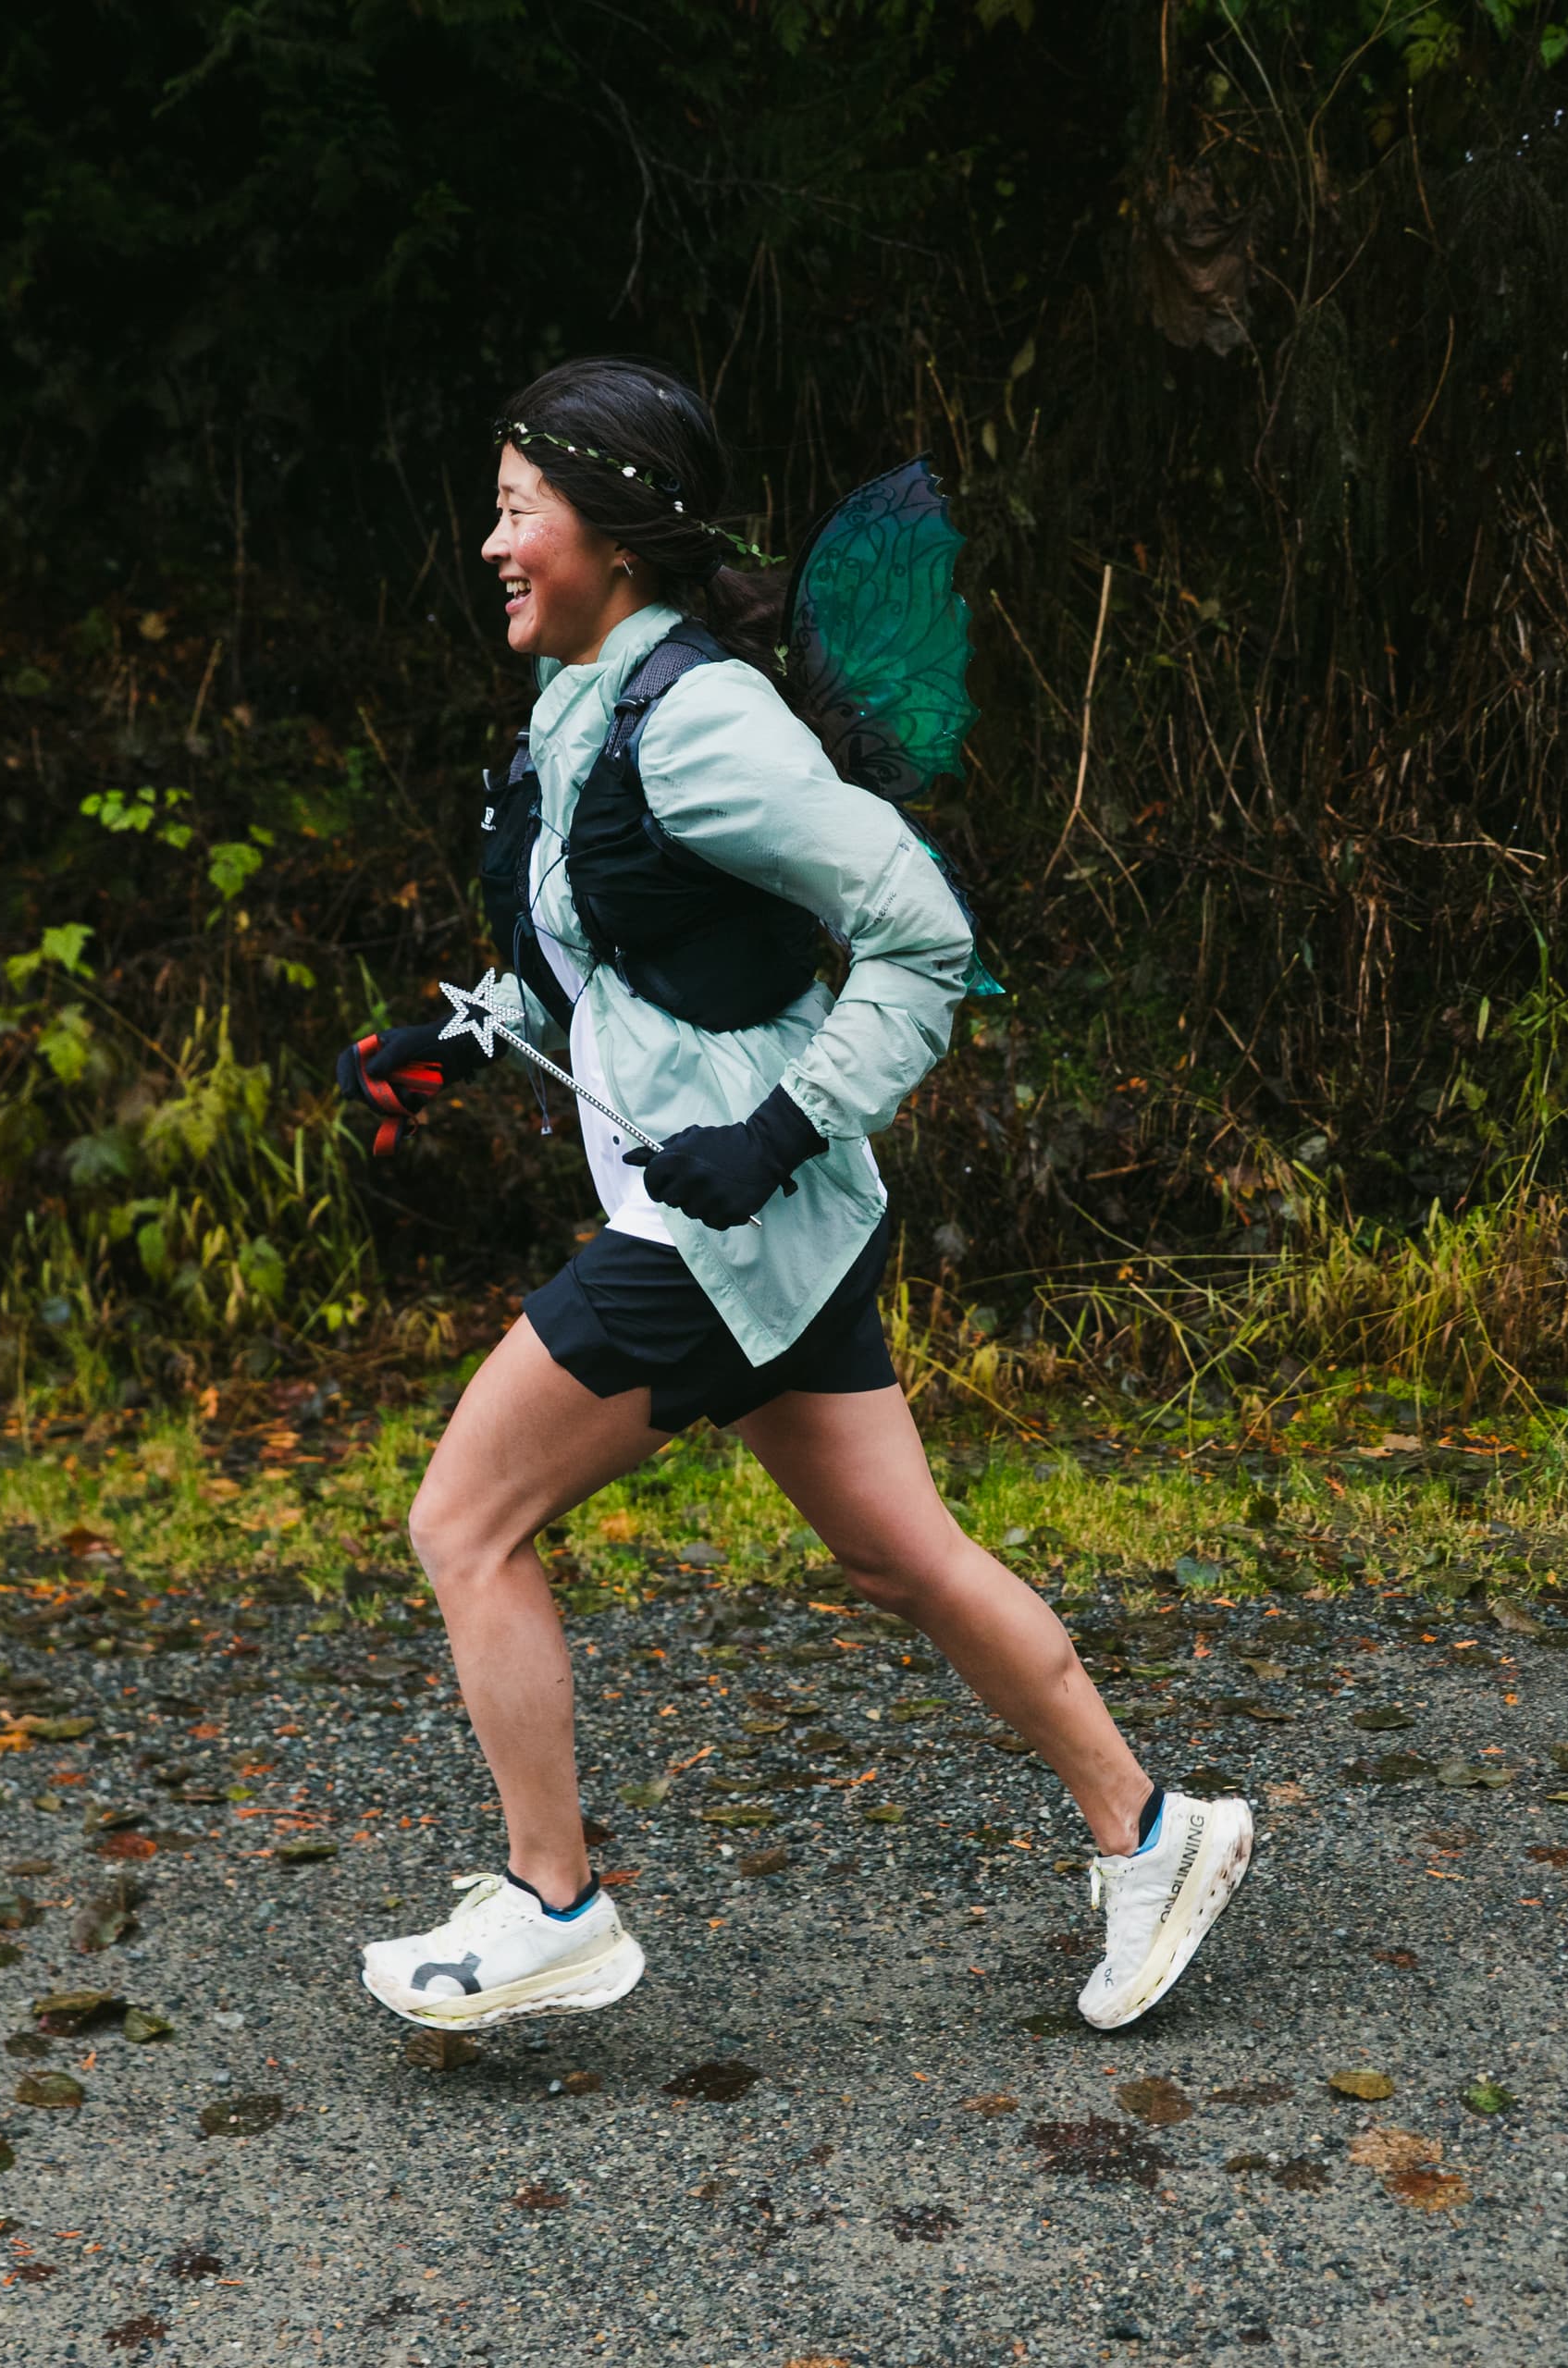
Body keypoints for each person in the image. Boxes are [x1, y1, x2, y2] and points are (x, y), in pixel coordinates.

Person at [334, 356, 1252, 2035]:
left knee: (465, 1522)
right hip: (775, 1227)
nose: (491, 546)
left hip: (725, 1224)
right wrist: (461, 1044)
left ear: (611, 534)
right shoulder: (593, 699)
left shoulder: (703, 724)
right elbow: (614, 950)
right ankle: (1152, 1832)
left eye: (517, 514)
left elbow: (925, 934)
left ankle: (557, 1908)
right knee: (907, 1558)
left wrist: (778, 1129)